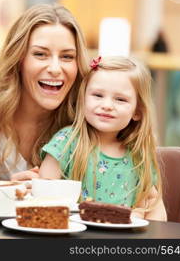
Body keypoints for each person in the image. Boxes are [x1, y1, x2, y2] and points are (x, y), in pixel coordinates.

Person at [0, 4, 89, 181]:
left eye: (67, 57)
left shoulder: (87, 132)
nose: (55, 68)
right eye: (40, 54)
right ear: (19, 60)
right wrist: (8, 193)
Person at [39, 56, 167, 220]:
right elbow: (43, 193)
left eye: (120, 99)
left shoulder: (138, 155)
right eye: (98, 95)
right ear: (83, 98)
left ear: (137, 111)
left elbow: (156, 209)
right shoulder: (66, 142)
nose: (107, 105)